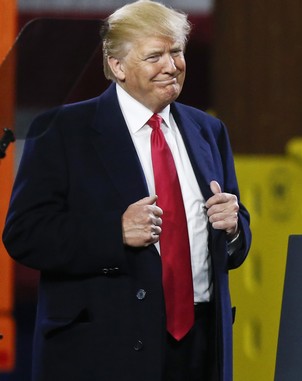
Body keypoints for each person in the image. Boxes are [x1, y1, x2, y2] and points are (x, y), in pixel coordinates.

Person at [2, 1, 251, 380]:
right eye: (155, 56)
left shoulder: (209, 131)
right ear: (117, 66)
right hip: (104, 349)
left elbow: (234, 242)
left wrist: (234, 228)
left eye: (177, 52)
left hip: (201, 349)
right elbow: (25, 235)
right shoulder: (61, 130)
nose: (171, 66)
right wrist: (114, 232)